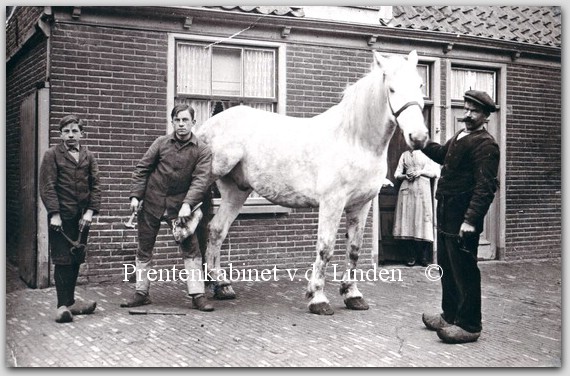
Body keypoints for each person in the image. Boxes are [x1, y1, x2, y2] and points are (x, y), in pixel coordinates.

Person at [421, 90, 500, 344]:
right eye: (465, 108)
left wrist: (470, 220)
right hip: (445, 212)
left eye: (474, 111)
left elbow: (485, 187)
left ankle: (469, 324)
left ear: (485, 115)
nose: (467, 114)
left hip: (462, 217)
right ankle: (450, 314)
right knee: (446, 266)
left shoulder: (486, 144)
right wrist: (422, 144)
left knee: (464, 269)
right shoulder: (461, 135)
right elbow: (444, 155)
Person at [120, 104, 214, 312]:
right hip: (152, 203)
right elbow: (142, 169)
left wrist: (187, 205)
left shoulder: (202, 150)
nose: (181, 124)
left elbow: (200, 180)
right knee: (144, 248)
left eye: (185, 120)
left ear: (193, 123)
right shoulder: (160, 143)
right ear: (172, 122)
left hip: (180, 208)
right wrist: (136, 196)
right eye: (177, 120)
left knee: (191, 249)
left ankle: (198, 295)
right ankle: (141, 293)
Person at [39, 114, 101, 323]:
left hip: (82, 219)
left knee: (76, 257)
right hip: (61, 219)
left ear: (81, 134)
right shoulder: (52, 155)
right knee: (62, 260)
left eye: (75, 131)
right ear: (60, 134)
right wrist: (54, 214)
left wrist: (90, 212)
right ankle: (62, 306)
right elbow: (47, 186)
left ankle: (71, 302)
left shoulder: (89, 156)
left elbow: (96, 186)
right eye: (66, 131)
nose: (71, 135)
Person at [393, 148, 439, 267]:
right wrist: (405, 176)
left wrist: (421, 172)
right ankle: (411, 255)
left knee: (423, 220)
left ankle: (423, 256)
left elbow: (435, 173)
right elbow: (396, 174)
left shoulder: (427, 153)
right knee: (407, 222)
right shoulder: (404, 154)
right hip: (407, 190)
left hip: (422, 190)